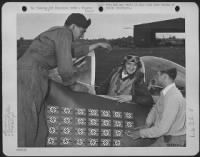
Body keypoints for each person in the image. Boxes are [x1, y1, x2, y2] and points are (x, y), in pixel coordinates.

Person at [17, 13, 112, 147]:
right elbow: (65, 68)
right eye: (81, 31)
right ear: (72, 26)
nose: (82, 36)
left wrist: (96, 45)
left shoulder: (59, 34)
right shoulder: (64, 33)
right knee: (28, 121)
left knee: (39, 123)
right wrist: (71, 84)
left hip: (35, 74)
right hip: (30, 74)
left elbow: (72, 52)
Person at [125, 68, 186, 147]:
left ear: (164, 77)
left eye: (158, 75)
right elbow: (156, 107)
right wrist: (147, 124)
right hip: (165, 136)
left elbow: (162, 129)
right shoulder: (166, 92)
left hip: (172, 142)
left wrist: (140, 133)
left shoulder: (173, 97)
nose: (156, 78)